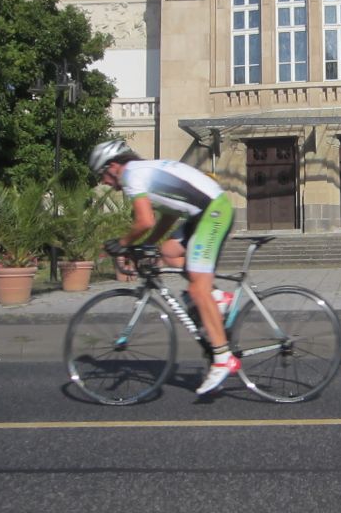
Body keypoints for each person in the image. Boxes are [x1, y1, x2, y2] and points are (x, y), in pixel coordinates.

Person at [89, 139, 238, 394]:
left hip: (213, 212)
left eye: (101, 174)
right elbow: (168, 214)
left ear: (113, 166)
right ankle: (219, 297)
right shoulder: (143, 171)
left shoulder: (132, 175)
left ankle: (223, 357)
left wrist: (123, 243)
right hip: (201, 213)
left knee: (197, 291)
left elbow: (145, 220)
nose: (103, 181)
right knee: (169, 252)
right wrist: (149, 245)